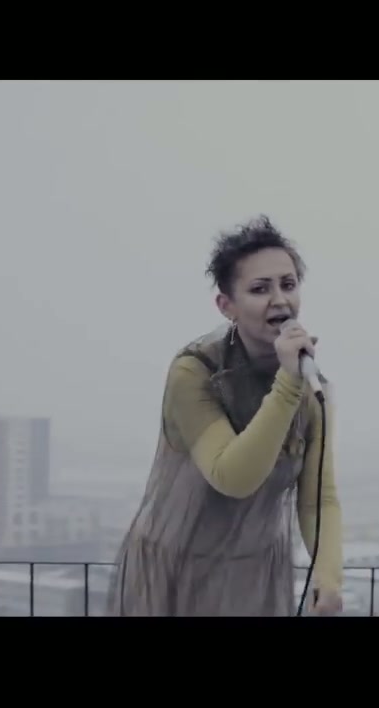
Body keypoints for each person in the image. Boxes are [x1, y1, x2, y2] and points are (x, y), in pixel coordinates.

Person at [107, 215, 344, 616]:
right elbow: (233, 477)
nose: (280, 300)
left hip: (253, 576)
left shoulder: (309, 385)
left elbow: (319, 498)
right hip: (174, 571)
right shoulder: (195, 371)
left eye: (288, 284)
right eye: (259, 289)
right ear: (226, 305)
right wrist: (287, 383)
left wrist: (328, 576)